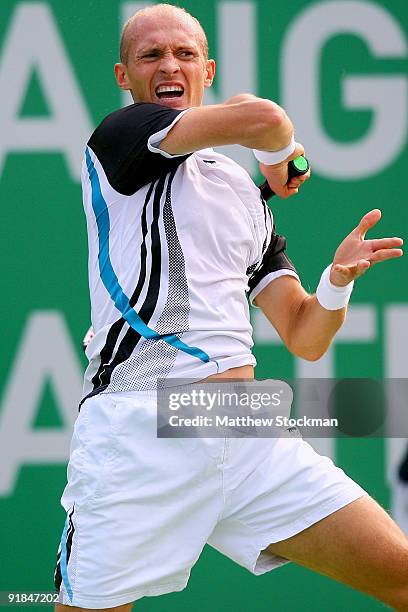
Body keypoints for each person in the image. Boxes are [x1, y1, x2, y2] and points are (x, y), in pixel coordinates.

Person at [54, 4, 407, 610]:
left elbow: (305, 335)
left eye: (185, 54)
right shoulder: (121, 138)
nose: (170, 65)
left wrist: (336, 281)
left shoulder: (241, 191)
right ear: (124, 75)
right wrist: (282, 154)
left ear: (206, 68)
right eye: (151, 55)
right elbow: (263, 118)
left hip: (243, 426)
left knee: (399, 575)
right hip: (144, 425)